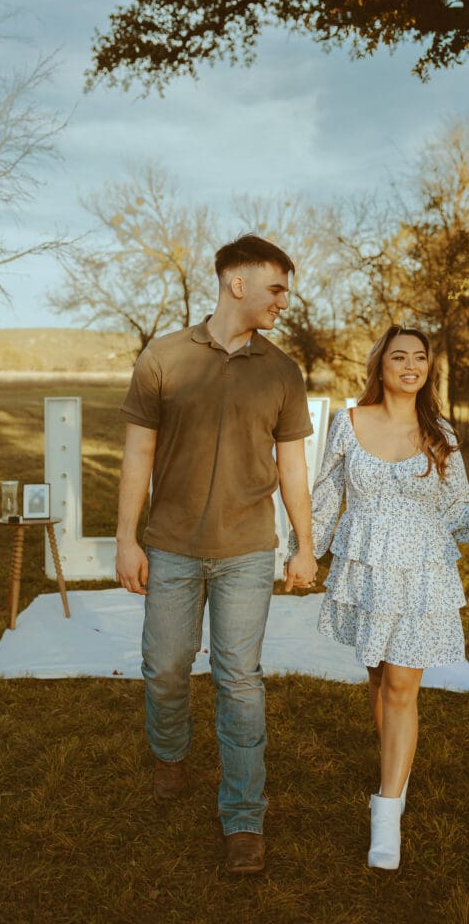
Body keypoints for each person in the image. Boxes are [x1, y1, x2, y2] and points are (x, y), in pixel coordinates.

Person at [287, 325, 469, 870]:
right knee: (379, 678)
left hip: (422, 572)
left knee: (402, 685)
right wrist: (303, 551)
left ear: (428, 369)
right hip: (367, 569)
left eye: (419, 357)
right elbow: (327, 496)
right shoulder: (349, 424)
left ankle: (387, 813)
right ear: (380, 366)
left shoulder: (440, 432)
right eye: (398, 356)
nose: (409, 364)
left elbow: (456, 513)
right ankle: (392, 768)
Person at [116, 233, 318, 875]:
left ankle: (243, 818)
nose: (285, 300)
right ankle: (170, 753)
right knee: (166, 666)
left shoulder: (283, 371)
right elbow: (137, 455)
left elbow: (293, 470)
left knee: (239, 682)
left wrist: (304, 547)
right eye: (277, 288)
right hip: (172, 547)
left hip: (246, 553)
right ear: (238, 283)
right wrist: (127, 539)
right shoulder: (165, 356)